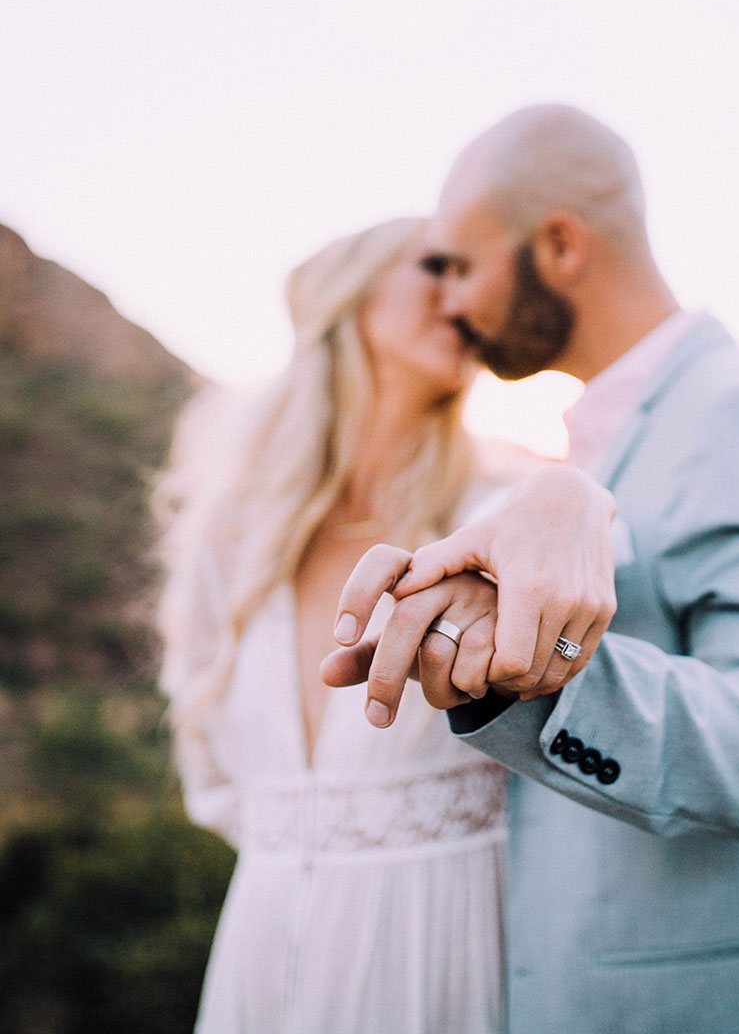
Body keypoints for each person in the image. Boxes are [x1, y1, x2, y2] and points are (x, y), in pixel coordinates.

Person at [324, 105, 739, 1033]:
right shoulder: (595, 446)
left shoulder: (736, 411)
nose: (450, 304)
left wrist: (528, 666)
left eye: (463, 265)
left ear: (559, 246)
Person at [157, 217, 526, 1034]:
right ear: (348, 297)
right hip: (262, 954)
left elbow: (569, 681)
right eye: (438, 266)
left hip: (453, 956)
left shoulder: (500, 517)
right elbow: (216, 782)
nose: (467, 294)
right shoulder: (232, 540)